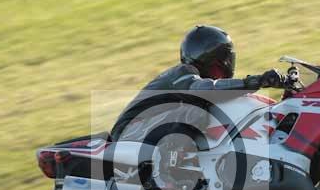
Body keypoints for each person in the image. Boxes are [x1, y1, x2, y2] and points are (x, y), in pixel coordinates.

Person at [110, 25, 287, 141]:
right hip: (129, 131)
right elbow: (207, 90)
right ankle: (169, 173)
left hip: (144, 131)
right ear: (216, 61)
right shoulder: (183, 73)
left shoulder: (187, 77)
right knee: (197, 112)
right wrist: (256, 81)